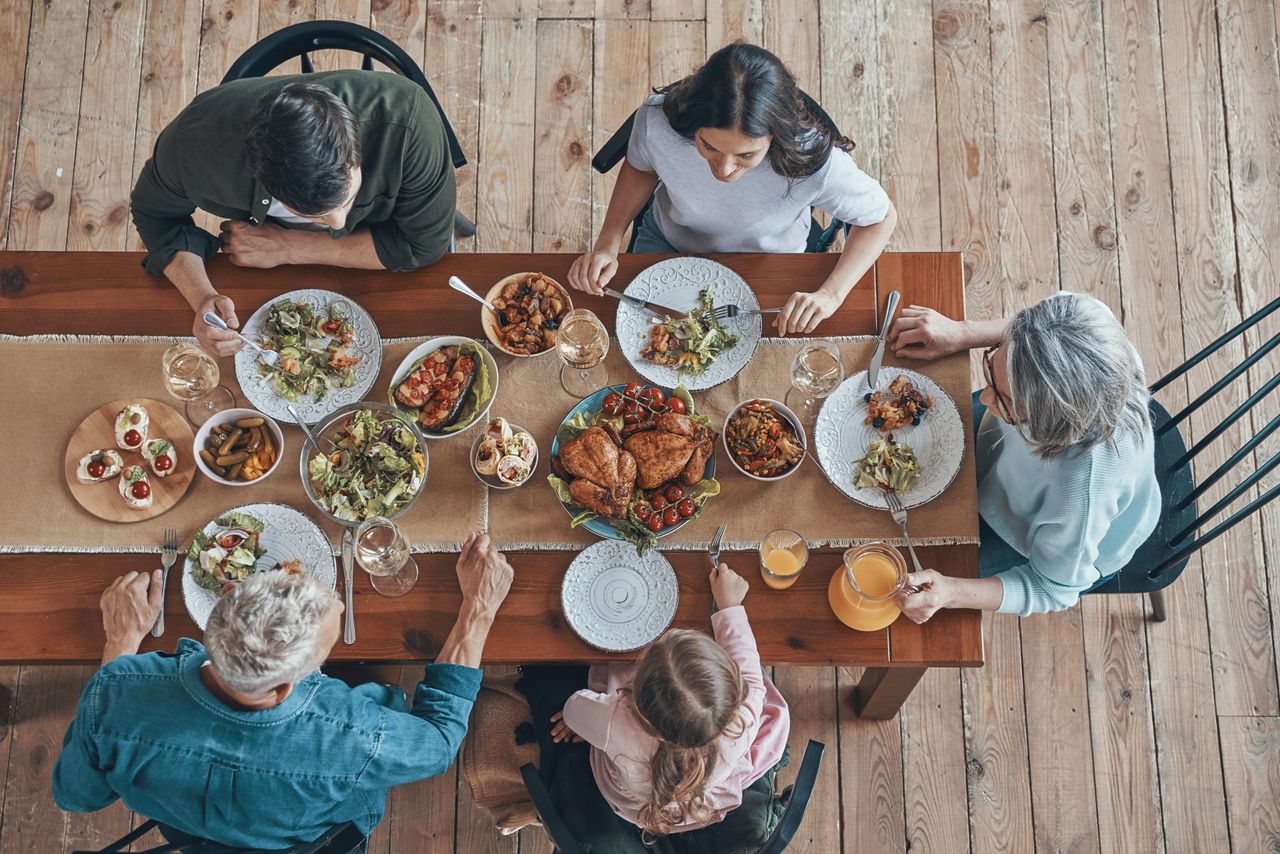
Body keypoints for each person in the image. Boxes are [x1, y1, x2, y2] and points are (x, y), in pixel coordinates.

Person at [52, 532, 512, 849]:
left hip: (195, 829)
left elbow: (76, 797)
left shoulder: (111, 693)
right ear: (282, 690)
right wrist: (479, 607)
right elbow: (437, 746)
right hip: (314, 836)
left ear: (230, 590)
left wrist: (120, 644)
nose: (338, 600)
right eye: (328, 638)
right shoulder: (353, 737)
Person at [567, 43, 896, 336]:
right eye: (708, 146)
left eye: (746, 155)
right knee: (631, 336)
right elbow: (640, 168)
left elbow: (881, 218)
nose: (723, 170)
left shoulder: (817, 162)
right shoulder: (658, 122)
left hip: (769, 262)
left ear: (776, 137)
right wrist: (608, 243)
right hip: (670, 240)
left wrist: (832, 294)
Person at [131, 70, 458, 357]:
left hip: (381, 258)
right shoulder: (193, 146)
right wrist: (202, 297)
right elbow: (154, 213)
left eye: (345, 201)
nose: (337, 224)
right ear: (265, 180)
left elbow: (424, 245)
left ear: (354, 156)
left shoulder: (411, 123)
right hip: (263, 281)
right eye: (316, 216)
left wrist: (290, 246)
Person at [887, 293, 1162, 619]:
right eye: (993, 369)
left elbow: (1052, 588)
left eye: (1004, 399)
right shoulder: (1085, 324)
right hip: (1008, 461)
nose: (984, 395)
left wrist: (950, 592)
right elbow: (1031, 327)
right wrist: (961, 333)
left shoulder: (1080, 488)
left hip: (1040, 533)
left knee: (908, 560)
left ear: (1048, 427)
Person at [549, 563, 789, 837]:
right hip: (705, 796)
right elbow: (750, 674)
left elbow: (573, 708)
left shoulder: (616, 719)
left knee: (615, 669)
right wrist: (730, 606)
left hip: (634, 800)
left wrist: (589, 724)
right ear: (732, 693)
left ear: (635, 695)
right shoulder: (742, 718)